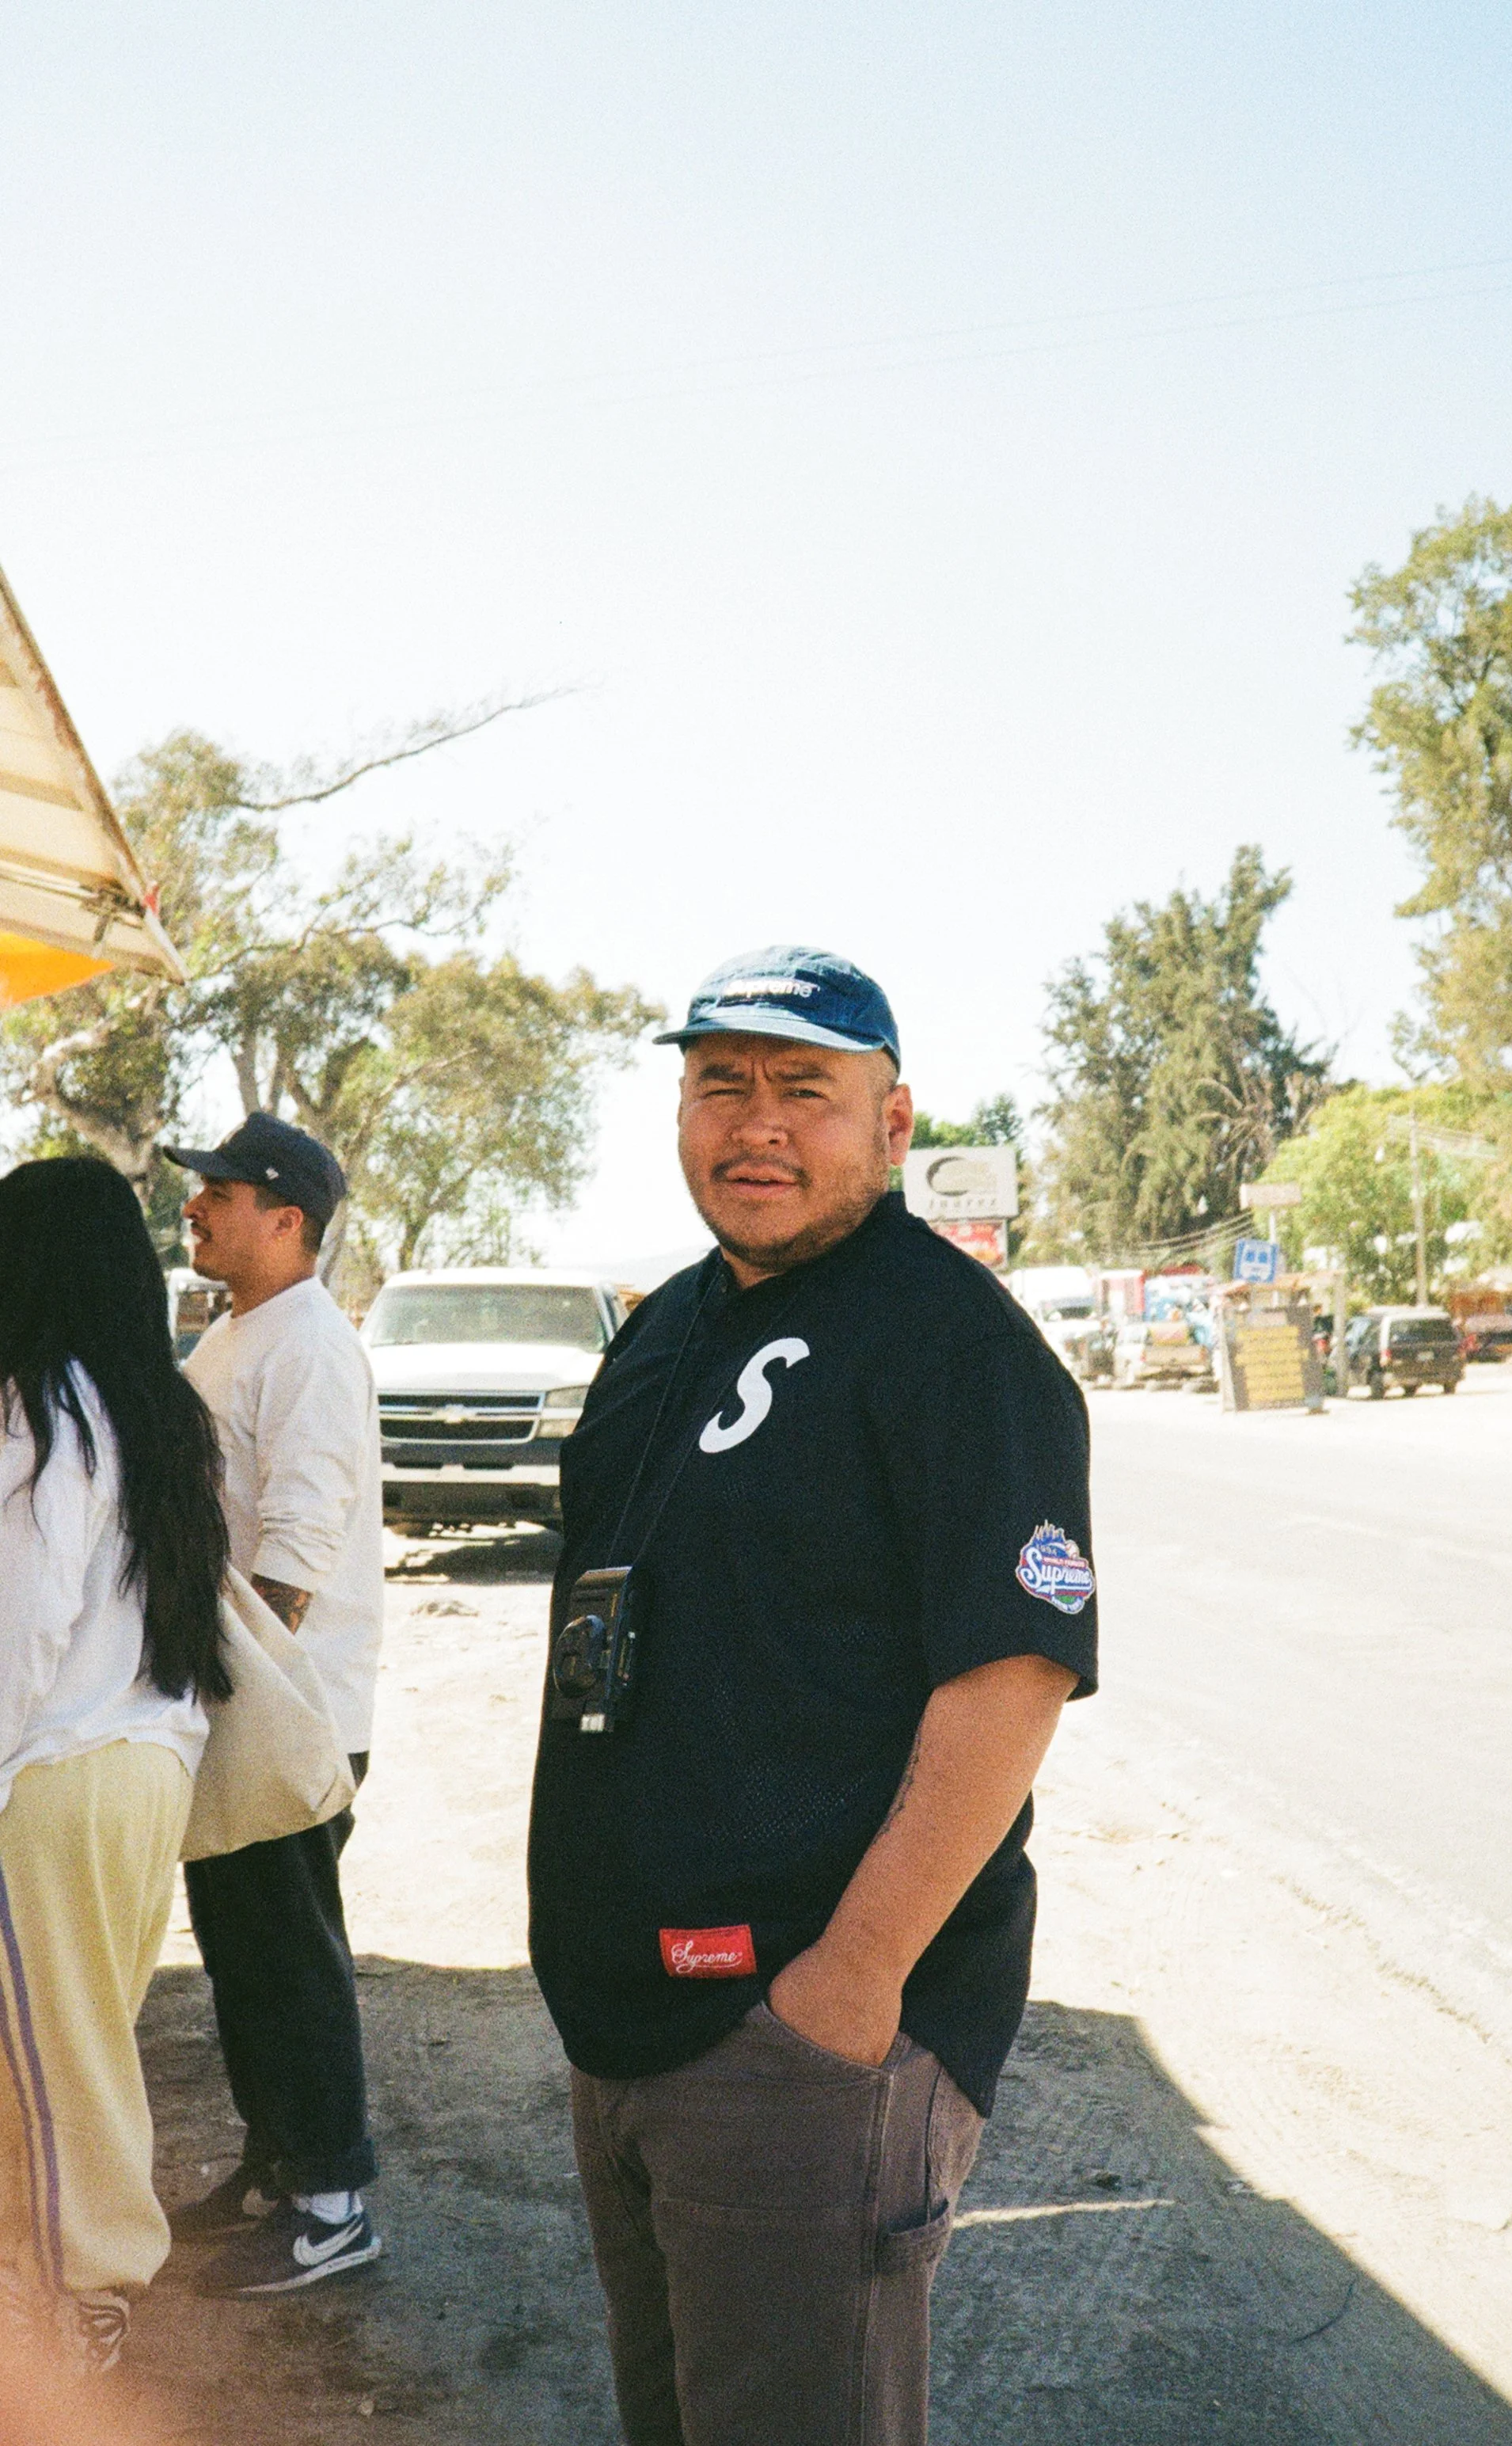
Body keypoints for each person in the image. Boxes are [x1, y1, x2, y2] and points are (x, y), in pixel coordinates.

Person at [529, 948, 1098, 2446]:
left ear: (893, 1124)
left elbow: (1015, 1674)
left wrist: (845, 1989)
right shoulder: (663, 1328)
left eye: (806, 1088)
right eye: (722, 1084)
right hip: (628, 2016)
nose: (758, 1122)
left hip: (797, 2042)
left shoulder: (953, 1341)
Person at [0, 1157, 231, 2376]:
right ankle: (56, 2282)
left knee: (55, 2064)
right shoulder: (158, 1406)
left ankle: (83, 2294)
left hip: (53, 1776)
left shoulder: (47, 1403)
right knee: (75, 2045)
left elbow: (20, 1624)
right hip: (147, 1769)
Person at [163, 1113, 385, 2296]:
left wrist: (241, 1687)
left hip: (289, 1709)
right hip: (239, 1700)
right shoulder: (241, 1331)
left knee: (289, 1957)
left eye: (219, 1192)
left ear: (286, 1218)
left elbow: (298, 1543)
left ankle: (335, 2205)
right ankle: (276, 2170)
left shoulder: (309, 1344)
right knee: (243, 1951)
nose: (195, 1206)